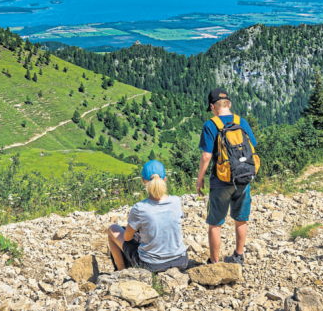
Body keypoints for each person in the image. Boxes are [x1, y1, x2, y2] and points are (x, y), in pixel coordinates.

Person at [196, 88, 258, 265]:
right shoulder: (241, 121)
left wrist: (199, 179)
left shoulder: (210, 125)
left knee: (215, 223)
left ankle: (214, 262)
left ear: (212, 106)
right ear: (229, 104)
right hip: (243, 177)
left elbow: (206, 156)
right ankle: (238, 256)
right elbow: (252, 146)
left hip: (221, 180)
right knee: (241, 219)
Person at [106, 160, 189, 272]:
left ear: (143, 181)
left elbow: (127, 238)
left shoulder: (140, 208)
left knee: (113, 229)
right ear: (165, 179)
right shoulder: (176, 201)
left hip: (152, 266)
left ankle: (121, 272)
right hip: (180, 261)